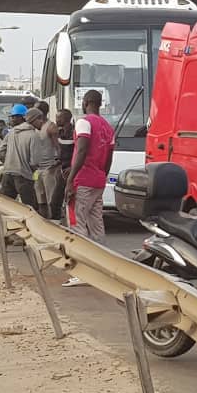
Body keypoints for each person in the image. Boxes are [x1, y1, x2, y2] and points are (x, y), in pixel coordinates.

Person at [63, 91, 115, 286]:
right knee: (96, 225)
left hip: (82, 180)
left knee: (78, 223)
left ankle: (83, 271)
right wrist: (101, 174)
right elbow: (109, 158)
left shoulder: (84, 122)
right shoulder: (108, 127)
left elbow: (82, 149)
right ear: (100, 104)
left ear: (85, 102)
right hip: (98, 181)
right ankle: (101, 268)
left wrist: (71, 179)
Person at [0, 105, 39, 207]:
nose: (12, 119)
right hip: (24, 175)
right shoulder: (33, 135)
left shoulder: (11, 133)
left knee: (6, 207)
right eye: (12, 117)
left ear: (22, 117)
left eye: (14, 116)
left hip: (8, 173)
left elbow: (0, 151)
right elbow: (34, 161)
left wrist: (8, 162)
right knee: (29, 208)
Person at [32, 107, 61, 218]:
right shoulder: (34, 127)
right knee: (40, 200)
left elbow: (58, 147)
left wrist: (57, 162)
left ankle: (53, 222)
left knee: (51, 199)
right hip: (37, 169)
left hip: (49, 169)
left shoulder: (51, 127)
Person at [51, 109, 75, 221]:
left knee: (72, 202)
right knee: (55, 202)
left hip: (72, 172)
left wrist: (72, 167)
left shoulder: (75, 133)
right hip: (61, 171)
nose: (56, 119)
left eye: (58, 117)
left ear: (65, 118)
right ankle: (56, 225)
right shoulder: (59, 133)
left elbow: (79, 153)